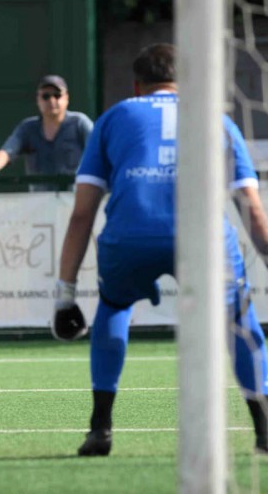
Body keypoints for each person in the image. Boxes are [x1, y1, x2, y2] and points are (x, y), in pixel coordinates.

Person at [51, 43, 268, 456]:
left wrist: (64, 296)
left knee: (114, 307)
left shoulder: (114, 117)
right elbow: (252, 212)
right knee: (239, 320)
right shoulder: (215, 120)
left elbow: (82, 215)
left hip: (131, 234)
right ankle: (264, 430)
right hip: (203, 238)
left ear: (137, 87)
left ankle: (100, 429)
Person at [0, 75, 93, 189]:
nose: (52, 101)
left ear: (66, 98)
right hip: (39, 204)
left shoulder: (79, 123)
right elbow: (8, 151)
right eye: (46, 96)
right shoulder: (28, 128)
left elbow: (98, 150)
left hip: (74, 201)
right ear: (38, 99)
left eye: (57, 95)